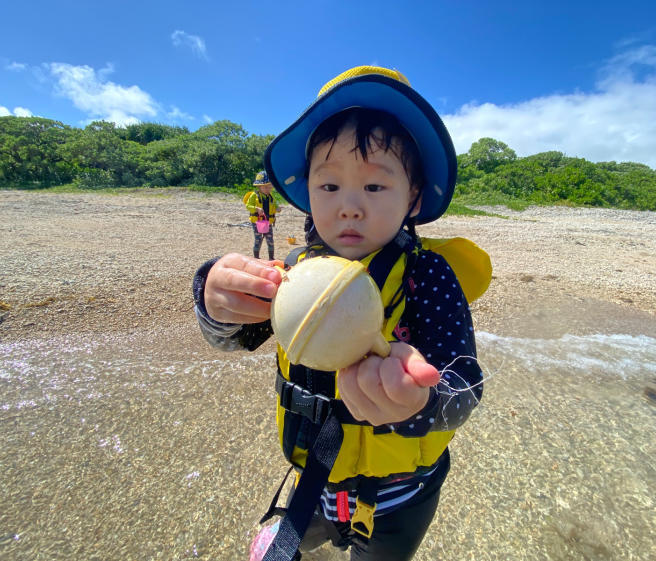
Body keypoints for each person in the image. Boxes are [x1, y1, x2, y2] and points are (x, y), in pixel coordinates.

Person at [192, 66, 492, 561]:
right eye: (329, 187)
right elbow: (230, 339)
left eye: (374, 188)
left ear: (412, 198)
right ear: (307, 190)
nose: (349, 207)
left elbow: (466, 386)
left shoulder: (428, 276)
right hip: (315, 482)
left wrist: (420, 403)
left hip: (403, 495)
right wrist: (213, 296)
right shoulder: (292, 274)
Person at [245, 170, 278, 260]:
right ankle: (256, 258)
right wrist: (256, 209)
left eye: (270, 187)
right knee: (258, 239)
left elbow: (275, 205)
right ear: (259, 186)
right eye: (266, 187)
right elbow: (248, 206)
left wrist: (277, 209)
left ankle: (271, 258)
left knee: (270, 240)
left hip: (268, 222)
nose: (268, 189)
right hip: (257, 222)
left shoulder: (271, 196)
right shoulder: (253, 195)